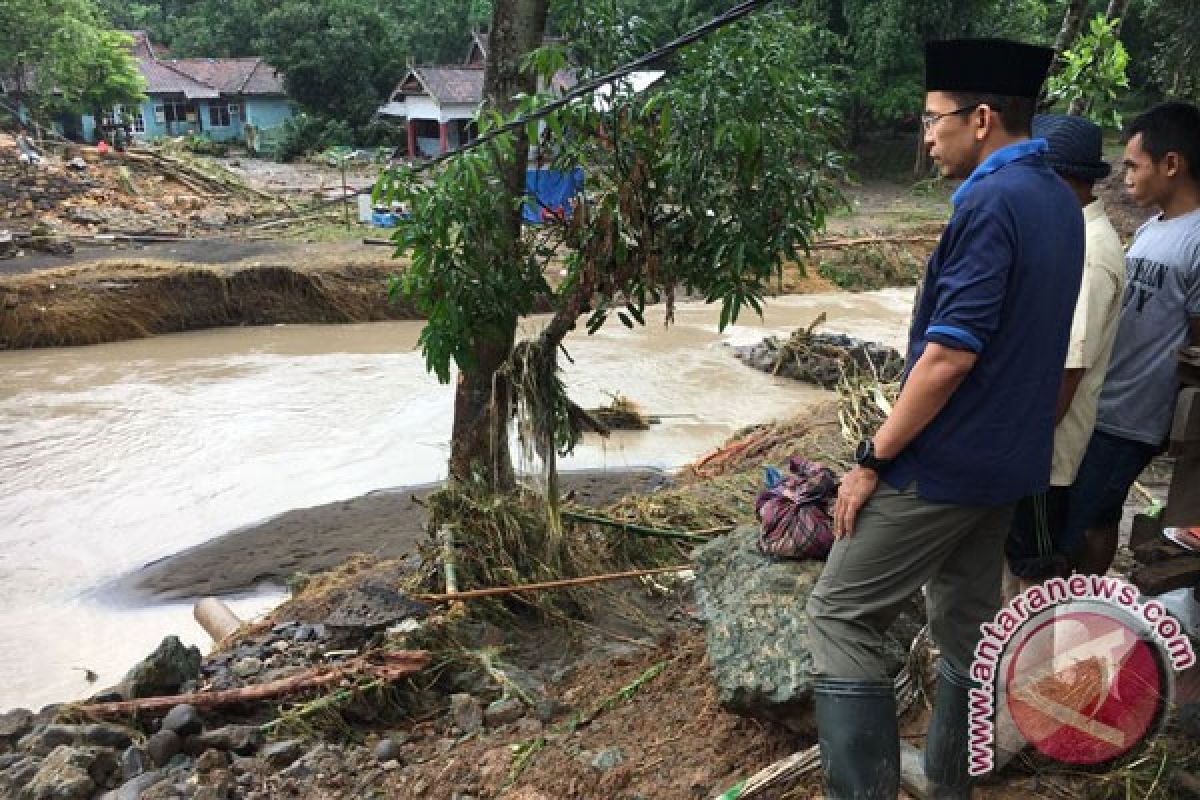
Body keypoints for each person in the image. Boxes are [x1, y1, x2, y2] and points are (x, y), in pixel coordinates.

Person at [804, 39, 1084, 800]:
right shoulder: (1058, 198)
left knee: (841, 615)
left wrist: (872, 457)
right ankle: (951, 784)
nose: (926, 137)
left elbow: (948, 356)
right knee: (967, 622)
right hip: (1009, 463)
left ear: (983, 118)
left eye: (934, 121)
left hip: (946, 465)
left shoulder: (991, 203)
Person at [1070, 102, 1200, 577]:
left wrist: (1174, 422)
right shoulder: (1152, 228)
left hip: (1137, 414)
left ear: (1171, 164)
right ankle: (1088, 602)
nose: (1125, 176)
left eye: (1133, 165)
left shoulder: (1197, 238)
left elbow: (1195, 344)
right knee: (1099, 516)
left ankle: (1072, 612)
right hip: (1106, 400)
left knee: (1076, 523)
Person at [1003, 114, 1126, 588]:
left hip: (1044, 455)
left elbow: (1068, 370)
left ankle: (1024, 660)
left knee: (1027, 576)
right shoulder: (1070, 236)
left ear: (1056, 178)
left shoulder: (1090, 254)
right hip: (1035, 445)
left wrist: (1022, 448)